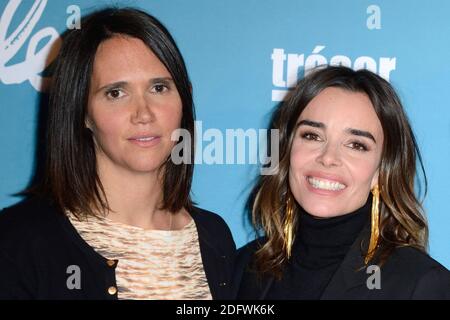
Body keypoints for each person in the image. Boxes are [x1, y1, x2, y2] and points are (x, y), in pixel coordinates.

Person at [0, 8, 235, 300]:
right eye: (115, 93)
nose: (144, 114)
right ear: (82, 112)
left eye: (159, 88)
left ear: (184, 99)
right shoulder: (18, 243)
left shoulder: (214, 237)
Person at [235, 66, 450, 299]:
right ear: (286, 150)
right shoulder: (243, 268)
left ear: (382, 171)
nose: (328, 158)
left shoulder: (418, 284)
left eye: (356, 145)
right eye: (312, 136)